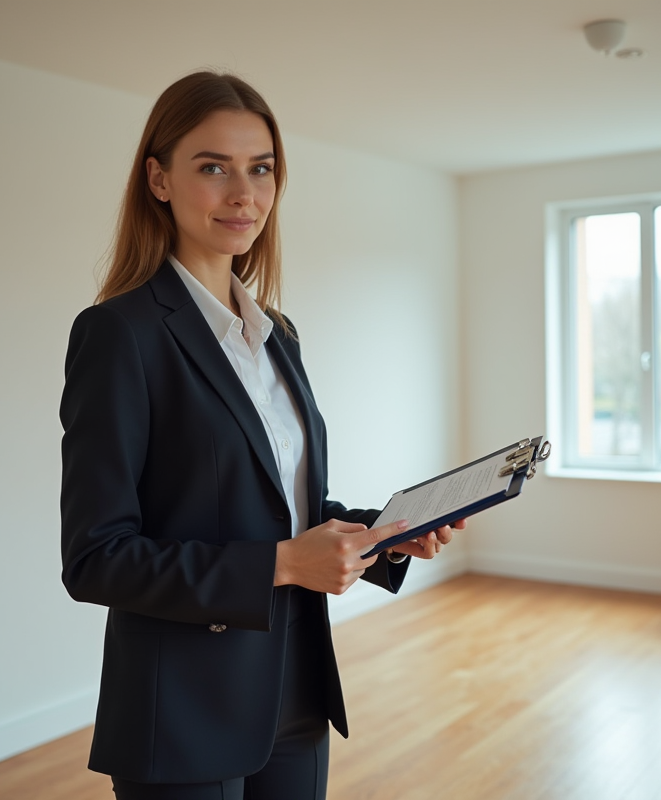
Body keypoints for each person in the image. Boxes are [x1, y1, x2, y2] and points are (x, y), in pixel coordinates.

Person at [59, 71, 463, 800]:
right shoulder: (120, 335)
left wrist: (381, 534)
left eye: (262, 168)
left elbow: (283, 505)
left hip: (296, 691)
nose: (244, 194)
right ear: (158, 179)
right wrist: (281, 564)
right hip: (183, 707)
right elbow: (97, 560)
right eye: (213, 167)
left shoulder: (280, 336)